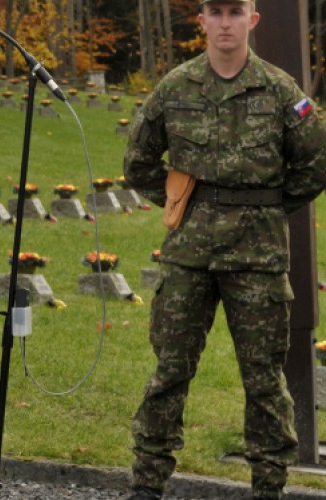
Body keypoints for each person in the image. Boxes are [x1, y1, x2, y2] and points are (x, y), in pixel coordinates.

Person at [123, 1, 326, 499]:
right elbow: (139, 161)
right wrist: (181, 204)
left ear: (251, 20)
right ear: (203, 21)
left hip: (257, 259)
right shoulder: (175, 88)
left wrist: (268, 208)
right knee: (170, 372)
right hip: (189, 255)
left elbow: (316, 163)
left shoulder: (281, 91)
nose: (226, 22)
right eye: (216, 12)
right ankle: (147, 485)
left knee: (263, 380)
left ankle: (268, 488)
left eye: (236, 11)